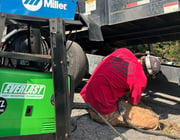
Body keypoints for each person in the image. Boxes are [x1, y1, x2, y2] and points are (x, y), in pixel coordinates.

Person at [80, 48, 161, 130]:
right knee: (153, 122)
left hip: (87, 95)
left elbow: (105, 59)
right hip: (101, 111)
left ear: (143, 57)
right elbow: (133, 102)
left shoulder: (124, 51)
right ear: (148, 74)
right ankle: (100, 114)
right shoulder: (141, 79)